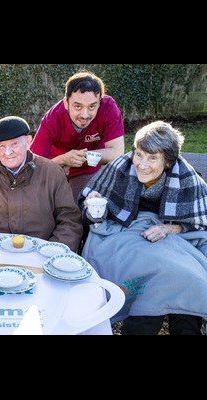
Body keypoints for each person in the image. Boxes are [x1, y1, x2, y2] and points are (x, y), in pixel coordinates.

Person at [79, 120, 207, 335]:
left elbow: (199, 222)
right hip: (125, 234)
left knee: (185, 279)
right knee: (176, 275)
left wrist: (171, 228)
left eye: (153, 158)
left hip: (166, 238)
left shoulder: (187, 178)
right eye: (139, 154)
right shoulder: (119, 167)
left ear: (168, 162)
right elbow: (91, 217)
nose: (142, 164)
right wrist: (92, 204)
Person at [0, 116, 83, 253]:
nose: (8, 152)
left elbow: (69, 220)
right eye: (1, 146)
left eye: (14, 144)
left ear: (28, 141)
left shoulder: (52, 173)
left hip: (39, 253)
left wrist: (51, 252)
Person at [30, 70, 125, 204]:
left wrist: (81, 156)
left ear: (100, 102)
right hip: (54, 167)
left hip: (87, 169)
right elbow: (33, 166)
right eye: (78, 106)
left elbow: (116, 152)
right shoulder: (52, 119)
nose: (85, 115)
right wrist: (63, 160)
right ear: (66, 103)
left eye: (92, 106)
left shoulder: (108, 107)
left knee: (80, 210)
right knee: (43, 208)